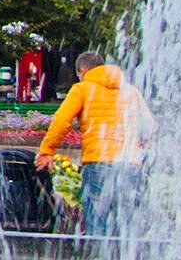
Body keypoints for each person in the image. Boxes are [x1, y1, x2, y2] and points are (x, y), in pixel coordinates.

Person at [34, 53, 139, 241]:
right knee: (126, 224)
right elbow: (149, 125)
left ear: (82, 70)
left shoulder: (82, 89)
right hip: (130, 164)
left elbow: (62, 121)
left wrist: (47, 151)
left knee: (97, 222)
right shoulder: (130, 91)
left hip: (99, 162)